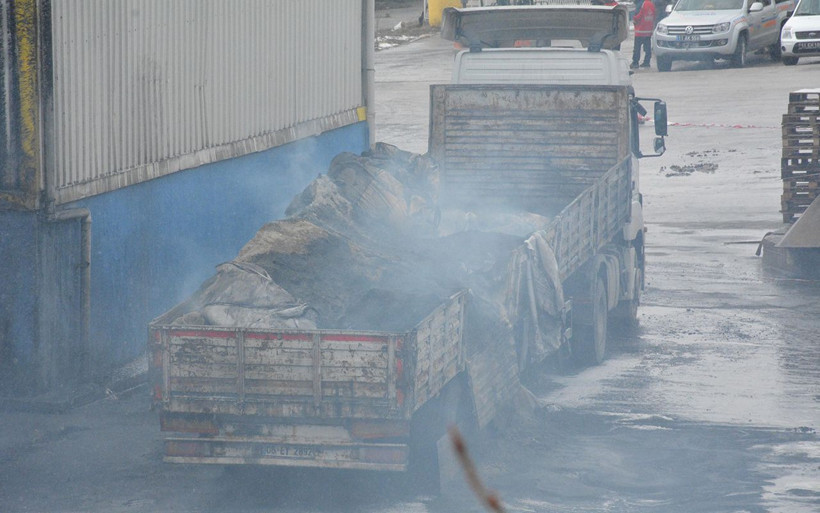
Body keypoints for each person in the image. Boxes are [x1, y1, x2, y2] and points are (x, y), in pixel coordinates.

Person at [631, 0, 656, 69]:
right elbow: (654, 15)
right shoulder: (651, 4)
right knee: (647, 48)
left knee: (637, 48)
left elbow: (638, 15)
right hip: (648, 30)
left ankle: (635, 62)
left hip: (640, 30)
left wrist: (634, 19)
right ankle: (647, 62)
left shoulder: (641, 4)